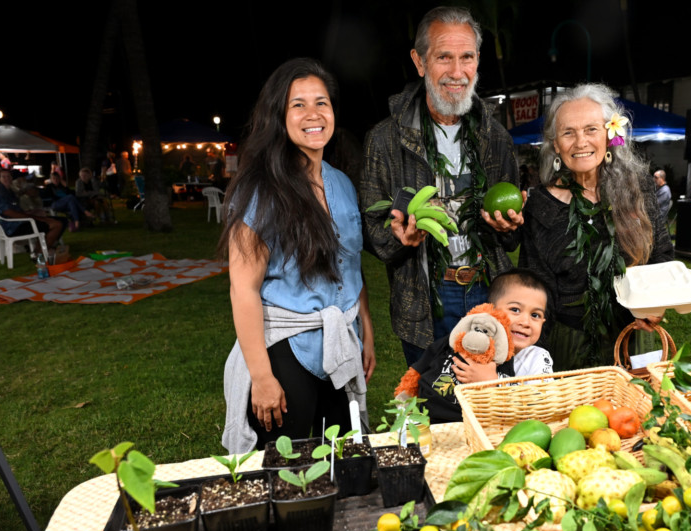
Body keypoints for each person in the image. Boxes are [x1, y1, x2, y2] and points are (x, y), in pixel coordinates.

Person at [219, 58, 375, 454]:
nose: (313, 115)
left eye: (321, 103)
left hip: (341, 344)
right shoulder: (259, 190)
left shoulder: (341, 183)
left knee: (342, 458)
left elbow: (350, 268)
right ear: (279, 116)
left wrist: (366, 332)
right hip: (287, 350)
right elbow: (243, 289)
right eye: (298, 105)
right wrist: (262, 376)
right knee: (287, 473)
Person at [360, 5, 521, 368]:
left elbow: (511, 237)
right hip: (424, 297)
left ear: (478, 60)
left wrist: (509, 226)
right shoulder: (385, 140)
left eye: (466, 57)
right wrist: (397, 238)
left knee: (489, 401)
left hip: (488, 290)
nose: (457, 72)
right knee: (433, 403)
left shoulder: (495, 137)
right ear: (419, 62)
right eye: (443, 57)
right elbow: (371, 229)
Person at [513, 84, 674, 371]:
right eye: (568, 132)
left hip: (633, 335)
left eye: (591, 129)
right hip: (566, 345)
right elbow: (533, 287)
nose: (580, 142)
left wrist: (654, 304)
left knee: (637, 411)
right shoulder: (541, 204)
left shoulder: (638, 189)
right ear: (556, 145)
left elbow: (661, 254)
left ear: (611, 134)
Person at [397, 268, 554, 423]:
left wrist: (492, 381)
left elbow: (539, 408)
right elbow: (428, 365)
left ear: (543, 322)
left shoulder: (537, 359)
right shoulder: (470, 343)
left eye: (535, 315)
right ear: (491, 310)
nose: (525, 322)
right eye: (515, 310)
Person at [0, 168, 64, 250]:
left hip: (13, 224)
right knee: (57, 224)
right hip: (15, 227)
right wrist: (38, 218)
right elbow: (10, 213)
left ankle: (43, 249)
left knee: (58, 221)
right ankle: (39, 253)